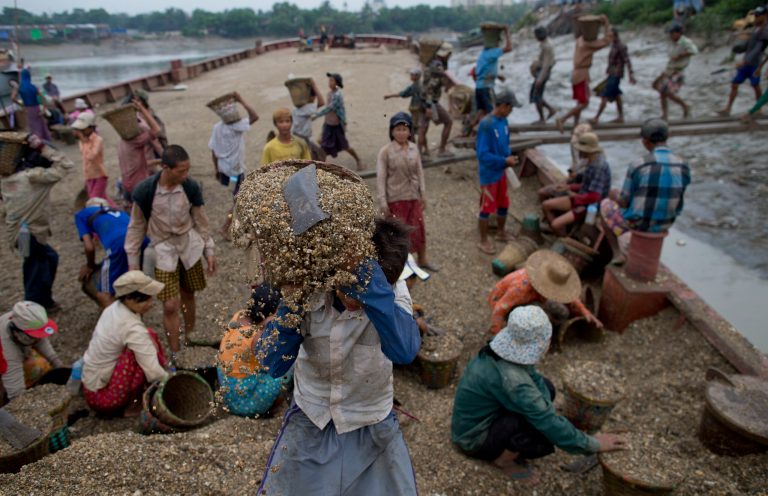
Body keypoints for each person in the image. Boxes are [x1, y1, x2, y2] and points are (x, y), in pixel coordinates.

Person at [256, 218, 421, 495]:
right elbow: (272, 363)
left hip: (371, 417)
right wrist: (291, 307)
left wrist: (376, 297)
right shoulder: (310, 290)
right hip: (312, 414)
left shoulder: (391, 292)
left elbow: (404, 351)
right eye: (349, 287)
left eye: (365, 291)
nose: (354, 302)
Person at [452, 305, 625, 483]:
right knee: (540, 435)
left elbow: (533, 377)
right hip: (473, 438)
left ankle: (512, 443)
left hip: (476, 418)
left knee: (547, 389)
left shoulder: (502, 351)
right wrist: (593, 444)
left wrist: (545, 409)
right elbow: (546, 420)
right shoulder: (514, 381)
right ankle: (504, 461)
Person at [125, 145, 216, 361]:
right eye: (181, 171)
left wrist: (209, 250)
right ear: (165, 168)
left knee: (189, 293)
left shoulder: (190, 187)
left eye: (187, 170)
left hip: (189, 246)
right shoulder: (146, 192)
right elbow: (136, 226)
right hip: (163, 250)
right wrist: (133, 263)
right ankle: (175, 352)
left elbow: (201, 221)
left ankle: (190, 336)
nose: (186, 175)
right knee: (169, 304)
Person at [600, 119, 691, 265]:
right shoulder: (683, 165)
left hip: (639, 224)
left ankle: (618, 252)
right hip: (666, 223)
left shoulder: (639, 164)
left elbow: (625, 201)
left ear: (646, 141)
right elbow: (679, 198)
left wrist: (614, 196)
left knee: (605, 204)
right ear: (667, 137)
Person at [1, 135, 74, 311]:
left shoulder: (5, 179)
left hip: (18, 234)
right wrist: (43, 147)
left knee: (45, 259)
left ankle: (43, 300)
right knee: (35, 267)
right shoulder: (32, 177)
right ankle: (33, 307)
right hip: (29, 233)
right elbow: (65, 165)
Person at [81, 271, 168, 416]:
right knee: (140, 352)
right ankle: (132, 406)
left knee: (148, 337)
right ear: (128, 299)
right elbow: (153, 372)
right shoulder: (132, 328)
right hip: (105, 399)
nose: (151, 304)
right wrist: (171, 380)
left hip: (90, 386)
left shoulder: (113, 309)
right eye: (145, 300)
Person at [217, 283, 291, 417]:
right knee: (287, 367)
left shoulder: (239, 315)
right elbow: (274, 362)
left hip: (226, 386)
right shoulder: (255, 338)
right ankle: (271, 408)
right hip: (243, 400)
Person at [488, 249, 601, 335]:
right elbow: (500, 308)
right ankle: (522, 334)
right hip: (512, 302)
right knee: (538, 317)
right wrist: (497, 334)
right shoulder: (521, 288)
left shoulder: (546, 280)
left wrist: (585, 312)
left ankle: (546, 332)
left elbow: (569, 297)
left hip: (534, 297)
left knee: (563, 313)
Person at [376, 112, 436, 271]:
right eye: (398, 129)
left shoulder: (414, 148)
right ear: (391, 131)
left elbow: (420, 172)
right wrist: (383, 202)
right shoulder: (385, 152)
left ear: (410, 132)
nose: (401, 132)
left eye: (404, 129)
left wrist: (423, 194)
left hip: (413, 197)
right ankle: (403, 267)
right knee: (399, 235)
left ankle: (422, 259)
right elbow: (381, 178)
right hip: (395, 199)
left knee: (419, 229)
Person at [475, 88, 522, 255]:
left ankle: (501, 232)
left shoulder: (504, 122)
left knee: (504, 203)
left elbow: (505, 144)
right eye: (510, 108)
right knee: (486, 207)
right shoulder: (486, 124)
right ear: (502, 106)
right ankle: (483, 239)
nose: (511, 111)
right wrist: (503, 161)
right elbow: (482, 154)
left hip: (502, 171)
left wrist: (508, 156)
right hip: (489, 173)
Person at [74, 197, 143, 309]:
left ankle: (116, 322)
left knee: (104, 292)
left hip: (119, 245)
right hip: (142, 241)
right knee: (133, 283)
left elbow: (89, 247)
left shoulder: (82, 214)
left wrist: (90, 266)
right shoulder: (118, 211)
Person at [208, 91, 258, 237]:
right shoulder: (237, 125)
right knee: (238, 199)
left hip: (224, 169)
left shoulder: (217, 127)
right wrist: (241, 100)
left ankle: (237, 224)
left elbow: (213, 151)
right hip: (235, 171)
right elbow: (255, 116)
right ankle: (225, 227)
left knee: (237, 196)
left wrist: (216, 169)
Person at [541, 132, 611, 236]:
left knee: (555, 224)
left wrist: (575, 196)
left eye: (580, 149)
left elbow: (595, 197)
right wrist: (568, 187)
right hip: (582, 196)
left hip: (590, 206)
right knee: (546, 205)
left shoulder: (598, 167)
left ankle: (562, 237)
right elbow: (586, 185)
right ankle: (561, 231)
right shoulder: (591, 161)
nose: (578, 151)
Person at [556, 15, 613, 132]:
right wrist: (606, 24)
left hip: (578, 74)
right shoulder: (587, 44)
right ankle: (562, 119)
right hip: (581, 74)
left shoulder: (580, 40)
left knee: (580, 101)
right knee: (584, 103)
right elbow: (607, 41)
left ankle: (575, 125)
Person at [0, 301, 63, 401]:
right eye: (34, 337)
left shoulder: (21, 319)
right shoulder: (6, 349)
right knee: (34, 367)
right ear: (17, 332)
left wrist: (58, 364)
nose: (38, 339)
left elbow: (41, 340)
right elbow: (16, 392)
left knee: (42, 365)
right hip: (4, 361)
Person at [718, 5, 768, 116]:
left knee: (755, 85)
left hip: (754, 64)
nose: (755, 17)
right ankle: (728, 109)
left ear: (765, 16)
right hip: (746, 62)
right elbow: (749, 45)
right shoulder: (756, 28)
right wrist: (738, 47)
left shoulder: (765, 30)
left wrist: (745, 62)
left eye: (758, 15)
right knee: (735, 84)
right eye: (755, 15)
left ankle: (758, 108)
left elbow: (759, 48)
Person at [313, 72, 363, 170]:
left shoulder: (337, 95)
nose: (329, 82)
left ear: (337, 83)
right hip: (328, 124)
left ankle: (358, 160)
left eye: (332, 80)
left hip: (336, 126)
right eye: (329, 80)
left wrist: (316, 115)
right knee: (323, 145)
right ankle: (323, 167)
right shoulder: (329, 93)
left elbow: (330, 108)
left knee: (345, 146)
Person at [117, 98, 162, 207]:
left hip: (127, 185)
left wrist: (158, 161)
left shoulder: (122, 142)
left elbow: (138, 164)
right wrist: (141, 108)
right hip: (139, 186)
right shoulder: (135, 141)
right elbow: (156, 130)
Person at [590, 28, 636, 125]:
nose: (609, 38)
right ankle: (621, 117)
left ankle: (596, 118)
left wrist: (631, 75)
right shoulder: (614, 45)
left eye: (610, 36)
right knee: (616, 95)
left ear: (615, 36)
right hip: (611, 73)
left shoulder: (621, 46)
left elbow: (627, 60)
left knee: (604, 95)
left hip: (616, 74)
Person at [653, 24, 698, 120]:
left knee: (668, 93)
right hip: (669, 70)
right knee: (662, 92)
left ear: (678, 33)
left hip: (678, 72)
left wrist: (681, 55)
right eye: (670, 33)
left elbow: (694, 51)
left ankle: (685, 106)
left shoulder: (685, 42)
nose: (670, 35)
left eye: (672, 33)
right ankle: (665, 114)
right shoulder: (672, 43)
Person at [71, 112, 116, 207]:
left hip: (100, 175)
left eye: (83, 129)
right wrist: (83, 141)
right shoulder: (82, 142)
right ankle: (117, 212)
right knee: (103, 198)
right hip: (89, 176)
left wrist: (84, 141)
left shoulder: (98, 140)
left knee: (93, 199)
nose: (81, 132)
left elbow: (91, 156)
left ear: (91, 128)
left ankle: (113, 214)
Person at [474, 27, 513, 125]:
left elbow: (484, 71)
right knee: (495, 112)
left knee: (482, 112)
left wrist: (498, 76)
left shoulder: (483, 53)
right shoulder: (493, 52)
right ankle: (494, 134)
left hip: (479, 87)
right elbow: (509, 48)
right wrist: (507, 32)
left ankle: (470, 129)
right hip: (486, 88)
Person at [420, 48, 454, 158]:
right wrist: (429, 106)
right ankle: (442, 150)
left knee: (423, 127)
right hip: (431, 102)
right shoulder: (438, 67)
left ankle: (421, 152)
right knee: (448, 122)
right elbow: (431, 88)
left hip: (423, 100)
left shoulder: (431, 63)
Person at [384, 68, 425, 153]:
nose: (410, 76)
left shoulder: (414, 86)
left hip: (416, 109)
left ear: (416, 76)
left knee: (414, 130)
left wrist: (389, 96)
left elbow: (403, 93)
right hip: (421, 109)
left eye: (412, 75)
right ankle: (424, 150)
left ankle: (416, 151)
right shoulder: (420, 85)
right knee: (421, 129)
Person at [12, 68, 52, 141]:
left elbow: (13, 98)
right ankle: (45, 141)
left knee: (33, 127)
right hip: (36, 108)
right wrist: (44, 109)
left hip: (27, 109)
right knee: (41, 125)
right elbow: (43, 98)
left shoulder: (19, 87)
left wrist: (21, 105)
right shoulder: (34, 87)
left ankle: (37, 142)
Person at [291, 78, 326, 160]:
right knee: (317, 158)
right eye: (313, 98)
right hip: (302, 139)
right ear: (310, 97)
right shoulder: (306, 107)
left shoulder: (296, 107)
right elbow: (322, 102)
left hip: (296, 136)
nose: (314, 100)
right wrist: (314, 85)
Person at [530, 27, 557, 124]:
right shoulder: (546, 43)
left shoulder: (546, 46)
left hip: (543, 72)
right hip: (543, 71)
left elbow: (546, 64)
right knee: (536, 95)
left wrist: (540, 79)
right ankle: (550, 110)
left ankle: (543, 117)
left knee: (536, 95)